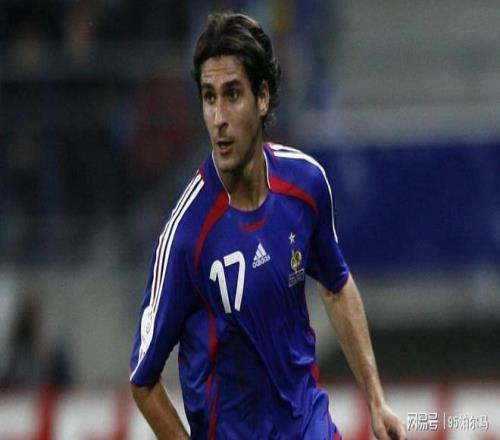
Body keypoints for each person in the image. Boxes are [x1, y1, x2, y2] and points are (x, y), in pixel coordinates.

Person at [129, 11, 407, 440]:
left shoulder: (305, 183)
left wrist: (375, 399)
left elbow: (336, 286)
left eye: (232, 95)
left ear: (262, 98)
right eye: (208, 97)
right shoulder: (186, 236)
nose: (218, 117)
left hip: (310, 426)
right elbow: (143, 380)